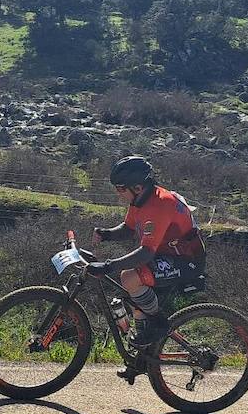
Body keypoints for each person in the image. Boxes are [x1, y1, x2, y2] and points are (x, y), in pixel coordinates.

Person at [86, 155, 206, 368]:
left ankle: (159, 323)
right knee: (137, 302)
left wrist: (108, 266)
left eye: (120, 188)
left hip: (186, 260)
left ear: (138, 187)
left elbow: (146, 253)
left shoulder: (161, 204)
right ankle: (142, 358)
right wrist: (106, 234)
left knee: (130, 277)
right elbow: (128, 229)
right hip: (167, 255)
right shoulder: (140, 199)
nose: (118, 193)